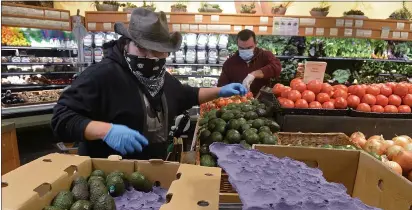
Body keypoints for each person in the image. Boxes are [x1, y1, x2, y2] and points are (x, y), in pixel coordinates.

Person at [51, 8, 246, 160]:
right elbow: (62, 118)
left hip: (151, 173)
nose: (150, 57)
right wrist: (106, 131)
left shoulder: (160, 77)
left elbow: (185, 95)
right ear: (128, 43)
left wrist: (220, 91)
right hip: (107, 178)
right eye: (143, 49)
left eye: (158, 51)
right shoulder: (103, 75)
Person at [217, 29, 282, 96]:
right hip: (239, 102)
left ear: (255, 44)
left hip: (263, 101)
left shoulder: (265, 55)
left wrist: (254, 74)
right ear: (237, 45)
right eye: (241, 48)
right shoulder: (229, 63)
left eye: (249, 48)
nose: (245, 50)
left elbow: (276, 67)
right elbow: (221, 87)